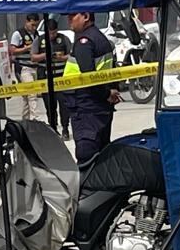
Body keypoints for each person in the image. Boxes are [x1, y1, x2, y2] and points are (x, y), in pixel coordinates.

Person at [65, 10, 118, 163]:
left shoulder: (85, 41)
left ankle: (88, 186)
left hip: (86, 106)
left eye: (72, 16)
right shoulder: (100, 38)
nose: (69, 20)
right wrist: (109, 92)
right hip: (99, 106)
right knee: (102, 153)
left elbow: (89, 77)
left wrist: (106, 93)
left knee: (86, 154)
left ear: (86, 17)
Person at [31, 17, 73, 140]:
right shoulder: (39, 41)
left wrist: (62, 57)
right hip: (45, 78)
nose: (53, 35)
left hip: (61, 78)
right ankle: (53, 129)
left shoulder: (64, 39)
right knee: (50, 106)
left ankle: (65, 128)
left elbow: (71, 54)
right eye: (50, 33)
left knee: (64, 105)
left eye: (54, 32)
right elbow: (33, 57)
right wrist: (47, 54)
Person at [9, 13, 41, 121]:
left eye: (36, 25)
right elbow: (12, 51)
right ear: (27, 22)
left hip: (35, 68)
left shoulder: (36, 34)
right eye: (32, 25)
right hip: (23, 68)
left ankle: (26, 121)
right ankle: (35, 119)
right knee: (32, 93)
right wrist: (27, 48)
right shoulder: (18, 34)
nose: (34, 28)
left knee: (26, 96)